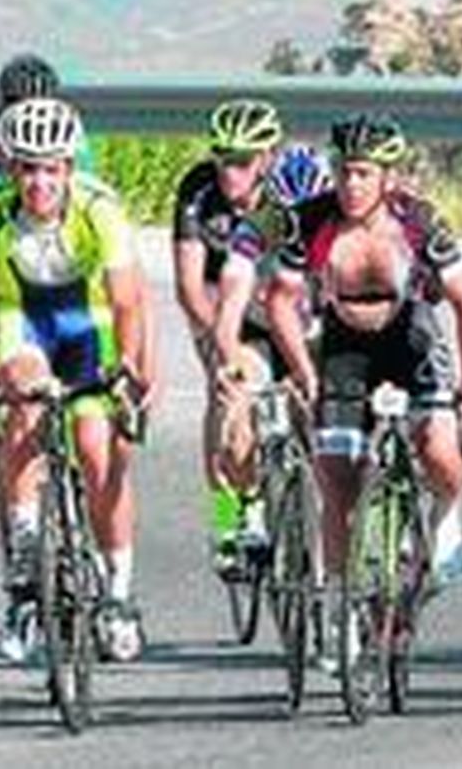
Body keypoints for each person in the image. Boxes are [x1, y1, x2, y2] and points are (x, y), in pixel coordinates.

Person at [0, 97, 155, 663]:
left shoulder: (100, 210)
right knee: (24, 413)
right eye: (27, 168)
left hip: (89, 322)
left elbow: (128, 301)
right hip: (23, 322)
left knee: (97, 450)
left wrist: (130, 369)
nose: (39, 181)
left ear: (69, 168)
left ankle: (117, 593)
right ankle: (23, 581)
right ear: (11, 169)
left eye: (51, 168)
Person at [262, 113, 462, 594]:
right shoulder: (309, 221)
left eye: (363, 173)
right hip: (344, 347)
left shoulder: (418, 221)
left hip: (411, 339)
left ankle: (444, 515)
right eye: (343, 170)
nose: (350, 184)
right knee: (337, 482)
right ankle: (341, 605)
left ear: (388, 177)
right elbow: (277, 300)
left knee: (440, 454)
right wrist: (304, 372)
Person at [173, 98, 327, 577]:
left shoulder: (292, 193)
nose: (229, 171)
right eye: (222, 158)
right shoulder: (199, 191)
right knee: (231, 413)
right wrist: (224, 352)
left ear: (266, 157)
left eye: (241, 161)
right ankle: (230, 519)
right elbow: (189, 286)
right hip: (226, 312)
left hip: (293, 314)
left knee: (316, 416)